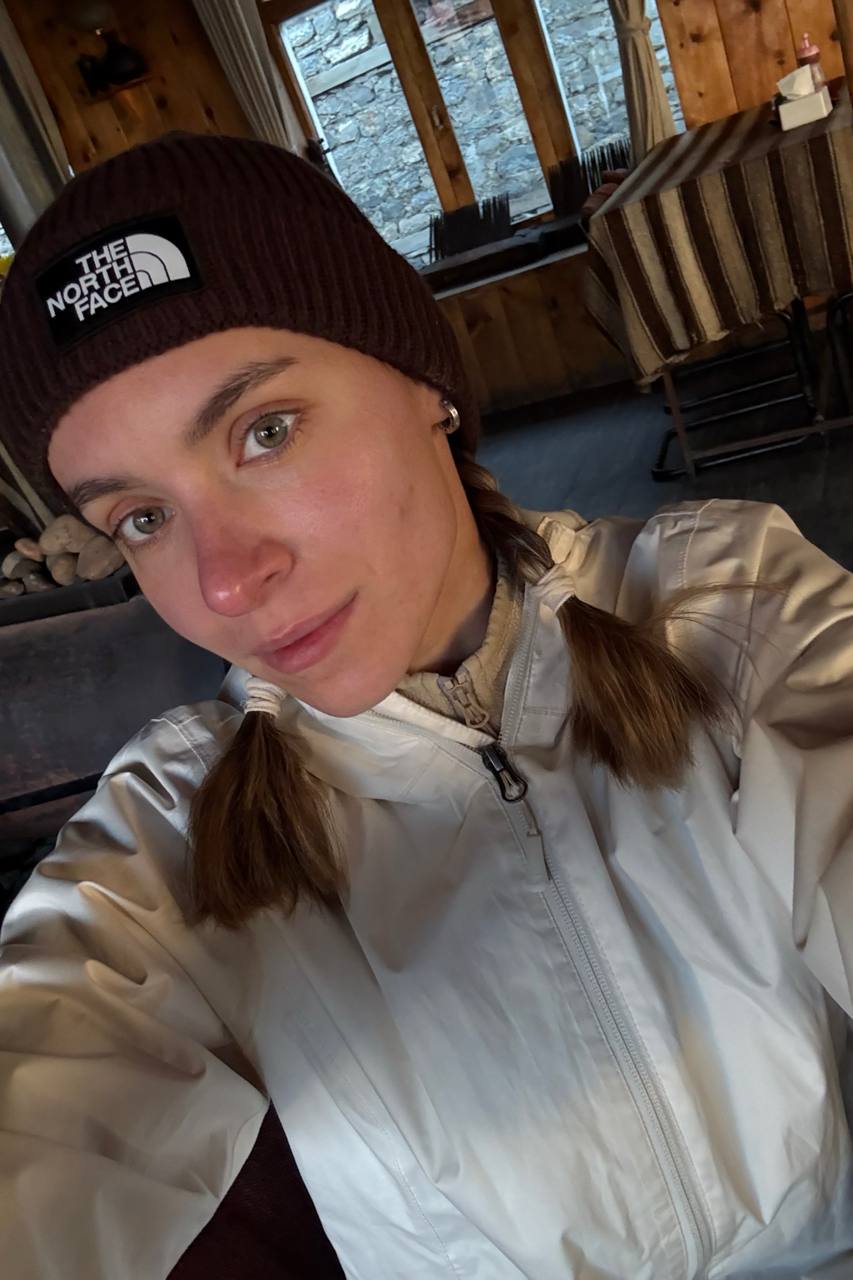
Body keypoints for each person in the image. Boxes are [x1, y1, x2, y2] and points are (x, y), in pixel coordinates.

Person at [1, 131, 852, 1280]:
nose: (225, 581)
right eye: (141, 518)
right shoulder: (164, 839)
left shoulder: (731, 602)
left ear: (425, 386)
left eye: (265, 432)